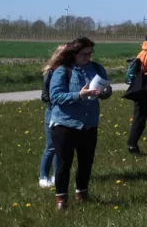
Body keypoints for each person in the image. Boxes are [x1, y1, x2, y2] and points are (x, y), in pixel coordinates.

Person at [47, 37, 112, 211]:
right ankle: (61, 199)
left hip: (89, 124)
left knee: (86, 162)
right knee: (64, 164)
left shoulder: (97, 68)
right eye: (84, 54)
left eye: (90, 53)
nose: (88, 57)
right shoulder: (63, 71)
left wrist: (105, 92)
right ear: (74, 54)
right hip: (65, 125)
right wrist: (79, 94)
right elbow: (56, 97)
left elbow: (107, 90)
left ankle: (82, 194)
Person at [38, 43, 68, 188]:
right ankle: (43, 176)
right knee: (51, 146)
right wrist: (56, 104)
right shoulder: (50, 72)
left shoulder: (69, 71)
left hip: (65, 112)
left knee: (60, 147)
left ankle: (57, 175)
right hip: (52, 111)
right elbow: (45, 96)